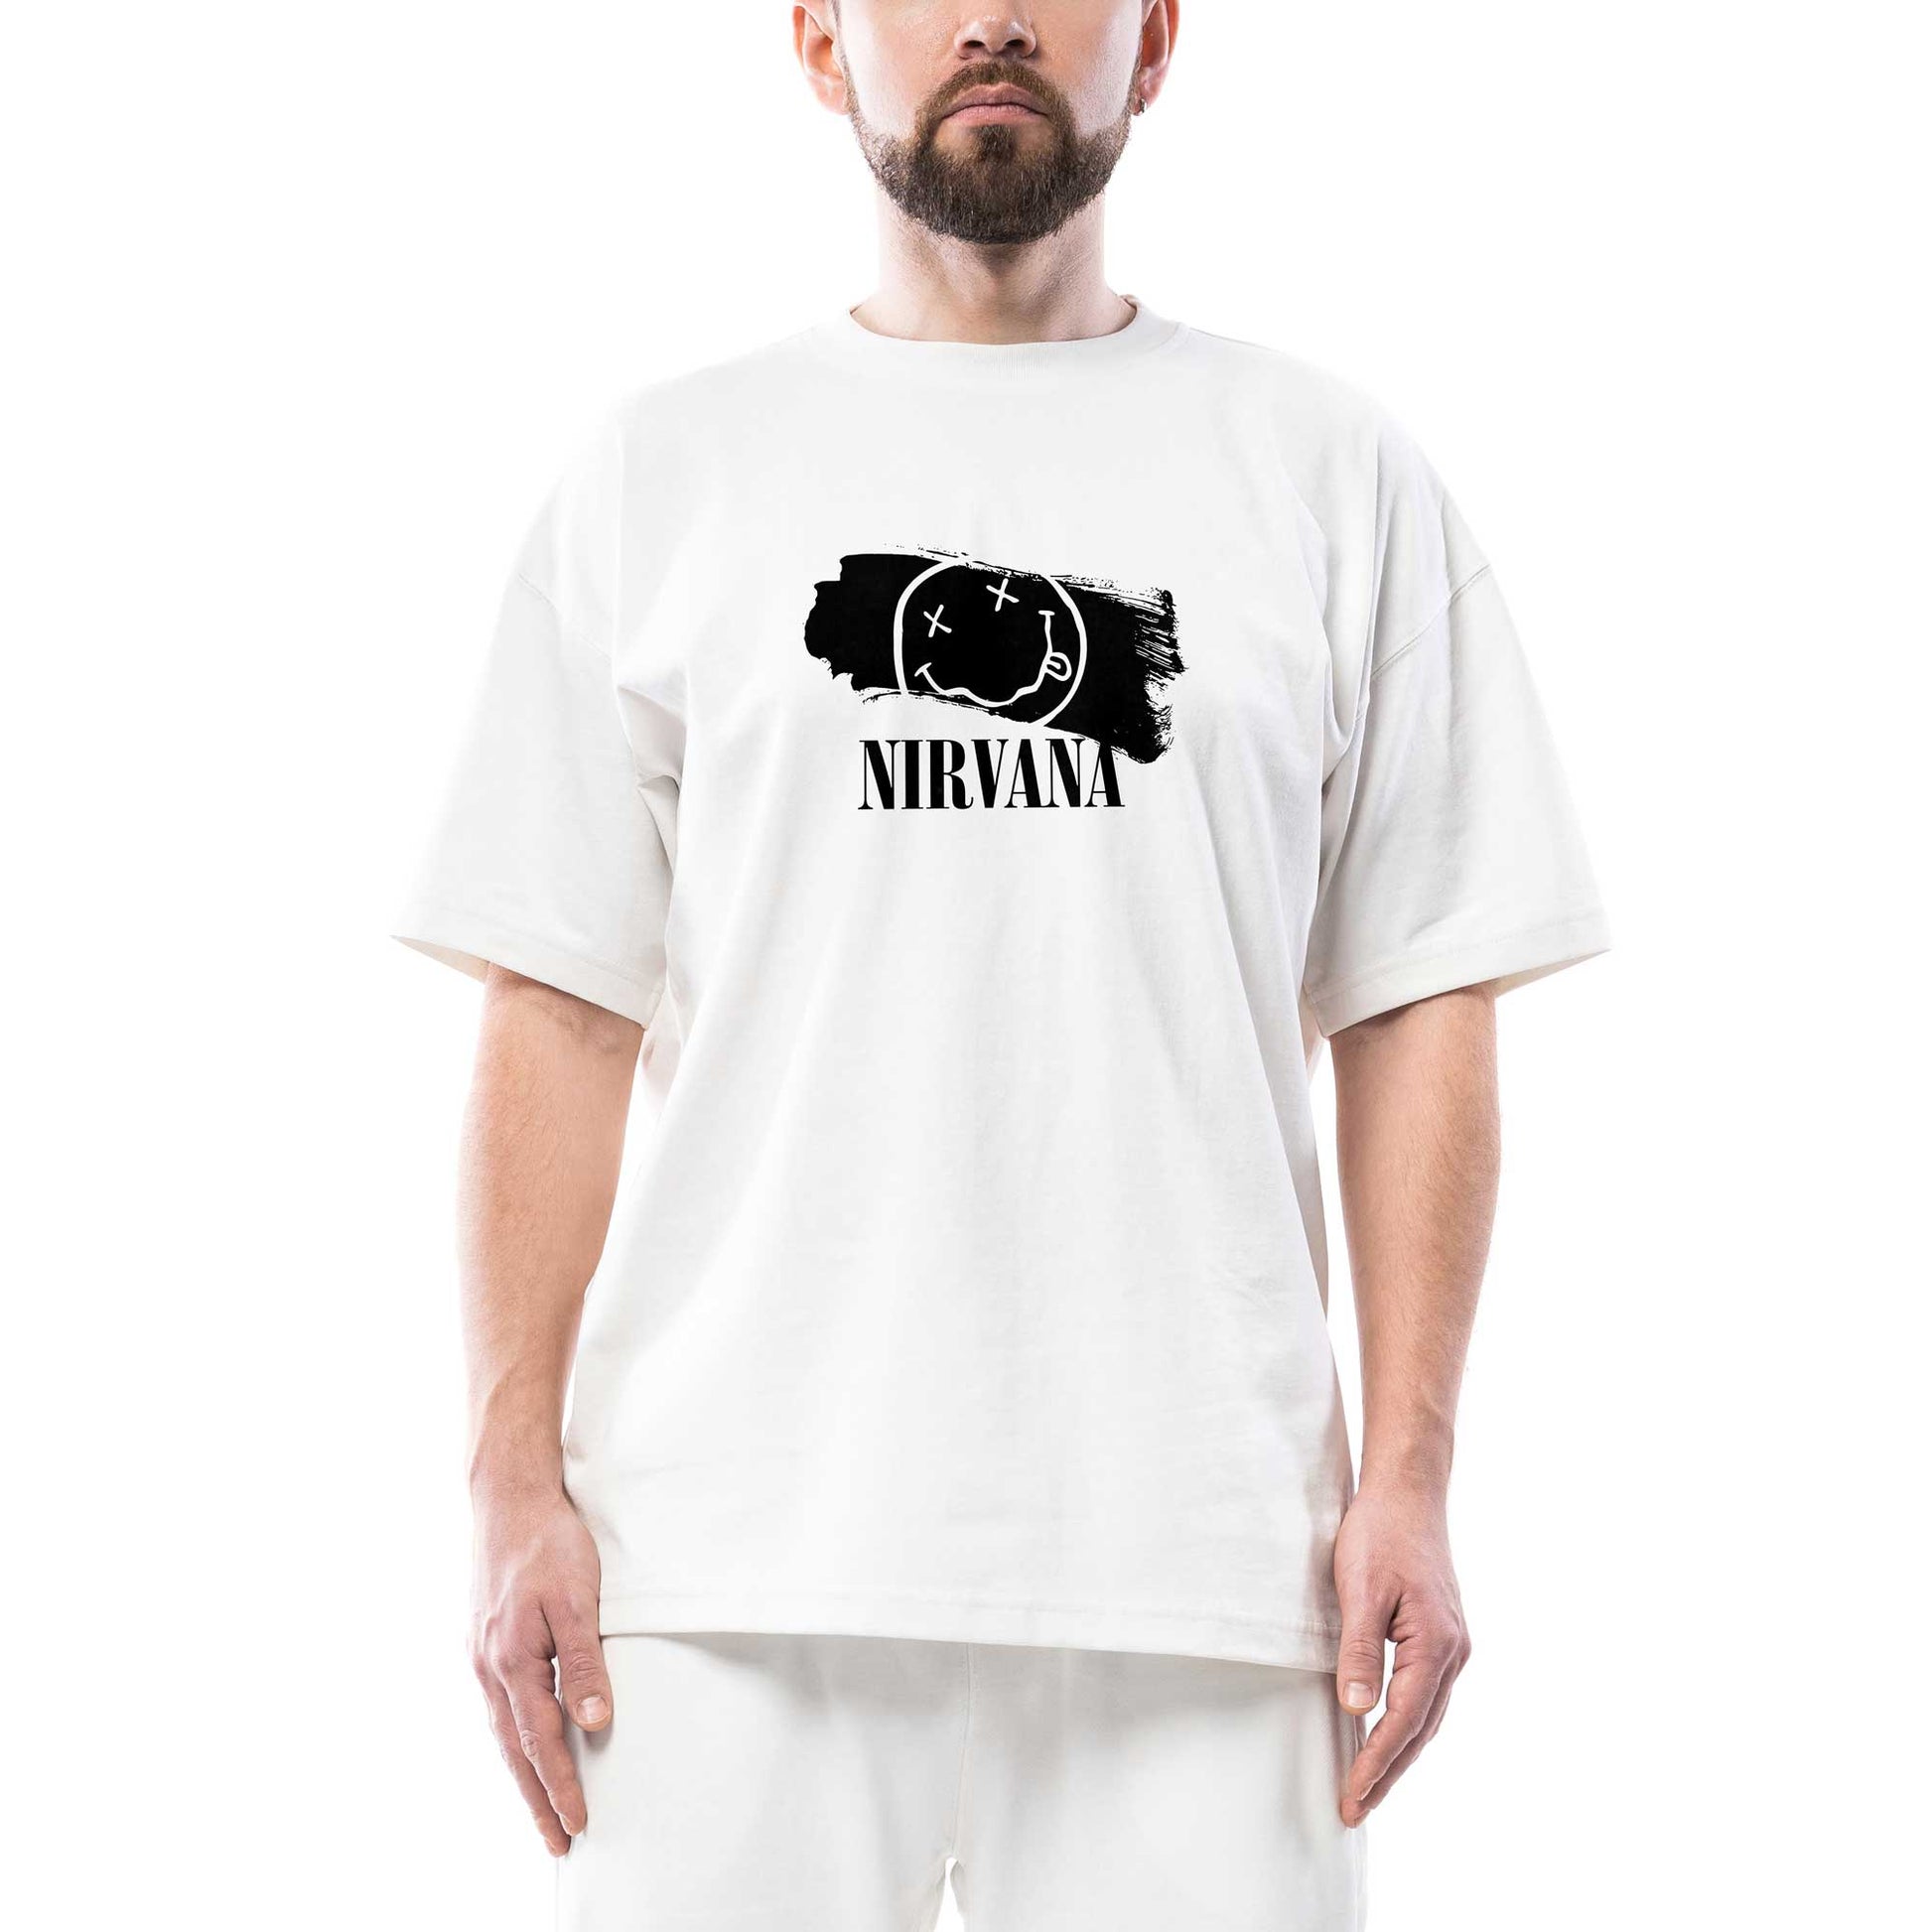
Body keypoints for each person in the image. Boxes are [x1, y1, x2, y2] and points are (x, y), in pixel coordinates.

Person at [395, 5, 1608, 1926]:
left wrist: (1411, 1475)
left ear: (1155, 40)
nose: (990, 18)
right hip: (717, 1577)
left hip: (1212, 1580)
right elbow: (554, 1005)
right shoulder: (663, 474)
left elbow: (1413, 999)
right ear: (818, 41)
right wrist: (505, 1486)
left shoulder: (1329, 474)